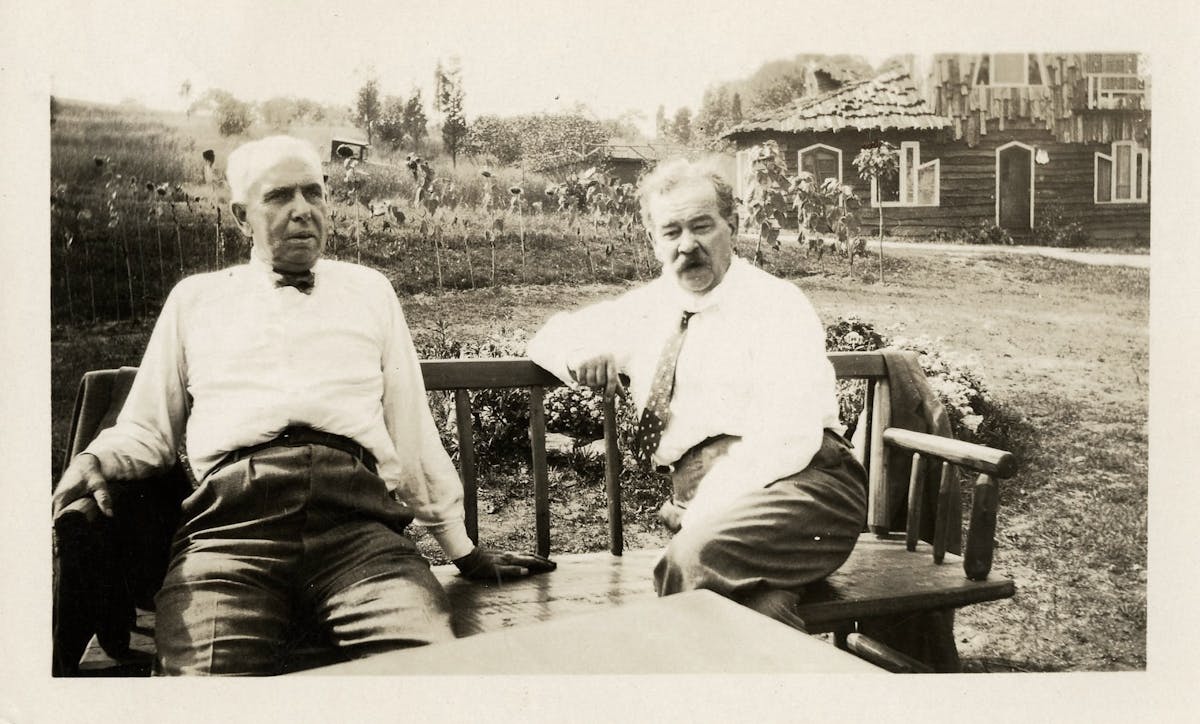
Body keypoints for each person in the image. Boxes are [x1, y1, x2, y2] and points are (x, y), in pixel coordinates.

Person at [51, 135, 554, 675]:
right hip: (229, 534)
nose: (302, 212)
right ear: (241, 216)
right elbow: (150, 429)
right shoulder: (196, 300)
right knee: (209, 678)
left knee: (421, 669)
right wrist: (97, 459)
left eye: (313, 194)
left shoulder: (370, 290)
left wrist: (462, 549)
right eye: (280, 197)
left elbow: (410, 429)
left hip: (359, 531)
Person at [526, 157, 867, 627]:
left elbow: (787, 438)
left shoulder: (776, 305)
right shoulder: (648, 307)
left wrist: (700, 516)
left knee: (691, 560)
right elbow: (548, 335)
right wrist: (581, 352)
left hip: (804, 486)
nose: (687, 246)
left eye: (702, 226)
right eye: (671, 232)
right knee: (756, 610)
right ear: (653, 241)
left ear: (733, 225)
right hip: (716, 503)